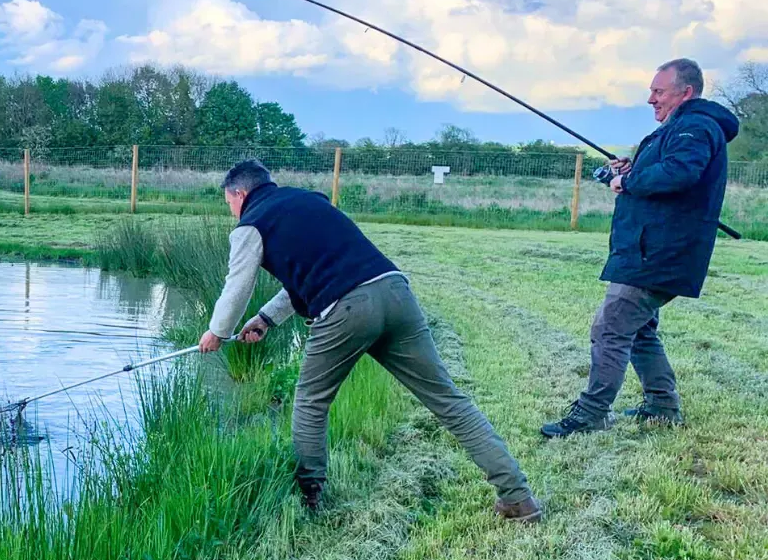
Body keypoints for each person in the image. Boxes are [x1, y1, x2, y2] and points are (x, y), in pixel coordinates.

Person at [197, 159, 541, 521]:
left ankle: (308, 500)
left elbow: (237, 284)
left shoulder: (250, 223)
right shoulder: (310, 201)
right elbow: (322, 267)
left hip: (347, 309)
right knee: (449, 401)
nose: (232, 211)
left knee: (311, 402)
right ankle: (518, 498)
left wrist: (217, 332)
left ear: (240, 193)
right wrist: (266, 318)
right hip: (396, 292)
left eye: (229, 203)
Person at [541, 58, 740, 438]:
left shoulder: (695, 126)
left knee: (611, 327)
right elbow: (667, 171)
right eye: (651, 91)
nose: (651, 99)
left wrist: (626, 183)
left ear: (686, 92)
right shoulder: (683, 127)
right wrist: (631, 170)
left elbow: (680, 173)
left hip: (659, 254)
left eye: (658, 91)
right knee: (640, 330)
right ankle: (663, 406)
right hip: (652, 250)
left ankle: (592, 413)